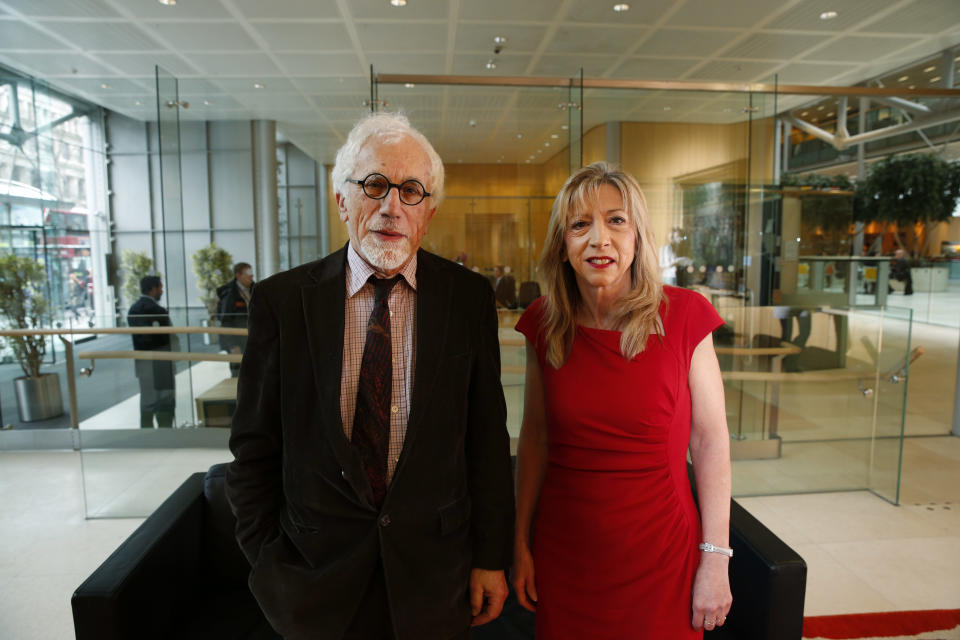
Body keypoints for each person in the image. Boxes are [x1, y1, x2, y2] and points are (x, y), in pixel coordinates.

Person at [225, 112, 515, 640]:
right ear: (342, 200)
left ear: (428, 212)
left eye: (411, 191)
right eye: (374, 185)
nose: (391, 206)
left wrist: (490, 557)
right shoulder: (283, 302)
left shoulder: (468, 300)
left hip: (434, 577)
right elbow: (253, 447)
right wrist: (269, 559)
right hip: (314, 579)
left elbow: (486, 443)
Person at [512, 163, 733, 639]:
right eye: (579, 225)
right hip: (565, 555)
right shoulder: (544, 322)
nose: (599, 239)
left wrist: (716, 559)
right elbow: (535, 439)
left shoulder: (685, 316)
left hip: (664, 557)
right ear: (562, 246)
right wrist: (518, 541)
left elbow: (710, 442)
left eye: (616, 220)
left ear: (638, 235)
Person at [127, 275, 175, 429]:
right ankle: (165, 433)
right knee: (165, 399)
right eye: (160, 287)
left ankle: (147, 434)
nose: (161, 290)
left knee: (147, 400)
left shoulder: (133, 309)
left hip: (143, 363)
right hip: (161, 362)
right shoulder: (157, 310)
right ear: (153, 289)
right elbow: (167, 337)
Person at [217, 262, 255, 377]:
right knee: (238, 374)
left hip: (252, 339)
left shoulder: (255, 289)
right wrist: (233, 345)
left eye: (251, 273)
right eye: (247, 273)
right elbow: (226, 321)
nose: (251, 276)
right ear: (238, 276)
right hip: (238, 341)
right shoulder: (229, 294)